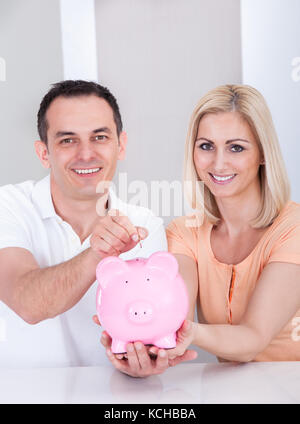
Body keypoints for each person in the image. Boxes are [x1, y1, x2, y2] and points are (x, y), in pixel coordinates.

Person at [0, 80, 171, 369]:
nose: (86, 154)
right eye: (67, 140)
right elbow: (26, 303)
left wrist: (144, 362)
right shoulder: (8, 206)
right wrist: (98, 253)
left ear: (121, 145)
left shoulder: (145, 225)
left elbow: (149, 330)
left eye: (100, 137)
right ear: (44, 153)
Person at [163, 84, 300, 363]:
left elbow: (253, 338)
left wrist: (188, 333)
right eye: (206, 146)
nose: (219, 163)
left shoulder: (293, 229)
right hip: (229, 392)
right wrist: (143, 342)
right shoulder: (183, 233)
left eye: (236, 147)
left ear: (263, 154)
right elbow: (176, 318)